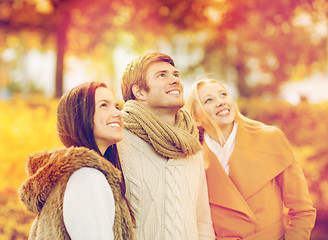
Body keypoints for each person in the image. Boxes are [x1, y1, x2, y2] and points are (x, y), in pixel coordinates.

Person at [185, 78, 316, 240]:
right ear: (196, 118)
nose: (220, 102)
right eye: (209, 100)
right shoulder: (193, 160)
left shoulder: (269, 138)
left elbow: (302, 210)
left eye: (223, 94)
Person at [18, 82, 135, 240]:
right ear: (79, 117)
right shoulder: (87, 178)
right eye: (104, 106)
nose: (118, 113)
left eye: (116, 106)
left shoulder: (73, 175)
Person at [117, 52, 215, 239]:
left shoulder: (191, 144)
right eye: (162, 75)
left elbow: (202, 220)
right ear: (139, 92)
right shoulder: (119, 141)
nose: (175, 80)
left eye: (176, 75)